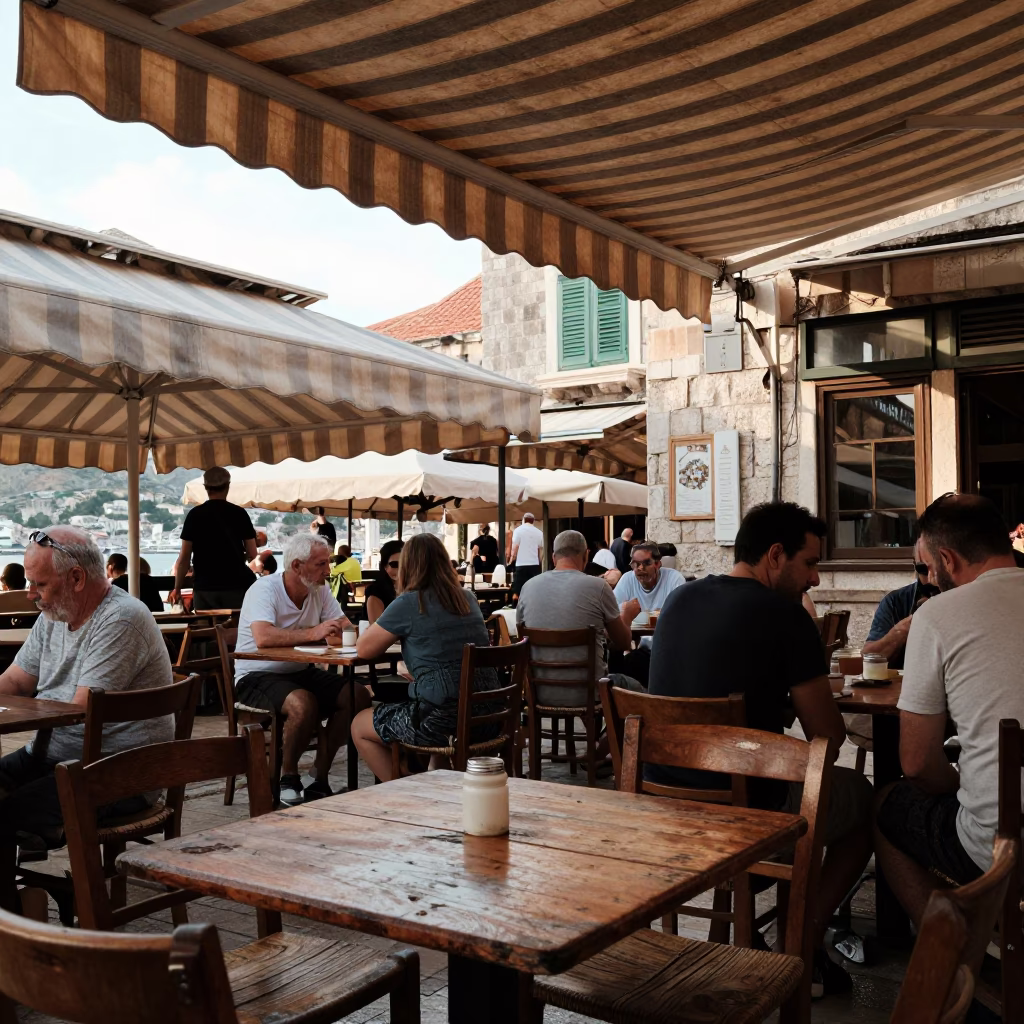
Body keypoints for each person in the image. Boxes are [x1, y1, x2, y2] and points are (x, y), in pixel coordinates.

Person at [647, 502, 872, 997]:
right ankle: (802, 942)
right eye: (810, 563)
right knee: (865, 804)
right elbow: (829, 742)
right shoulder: (786, 617)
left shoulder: (679, 600)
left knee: (803, 783)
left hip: (664, 806)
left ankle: (774, 934)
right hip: (747, 814)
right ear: (775, 555)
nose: (814, 579)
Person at [874, 494, 1024, 929]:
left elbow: (917, 765)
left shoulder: (938, 614)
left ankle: (953, 961)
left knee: (887, 804)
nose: (929, 579)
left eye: (929, 569)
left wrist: (965, 783)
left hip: (1002, 848)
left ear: (946, 558)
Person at [0, 527, 173, 849]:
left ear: (77, 578)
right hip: (53, 759)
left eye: (39, 584)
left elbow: (78, 711)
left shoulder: (121, 618)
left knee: (8, 814)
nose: (30, 593)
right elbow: (16, 681)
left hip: (119, 772)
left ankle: (30, 898)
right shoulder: (54, 613)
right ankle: (24, 891)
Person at [233, 533, 370, 806]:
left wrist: (329, 632)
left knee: (357, 695)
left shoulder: (318, 590)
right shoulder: (264, 590)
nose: (328, 570)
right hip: (255, 673)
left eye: (327, 563)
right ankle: (289, 778)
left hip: (297, 671)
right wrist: (315, 633)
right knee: (303, 703)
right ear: (297, 566)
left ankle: (318, 775)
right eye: (320, 564)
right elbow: (264, 638)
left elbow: (345, 628)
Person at [352, 533, 501, 782]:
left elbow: (364, 650)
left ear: (409, 566)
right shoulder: (468, 598)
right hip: (489, 715)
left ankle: (406, 793)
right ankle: (426, 780)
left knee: (360, 725)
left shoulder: (410, 602)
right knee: (425, 704)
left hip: (444, 722)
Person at [170, 467, 258, 611]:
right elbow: (252, 554)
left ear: (206, 488)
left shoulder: (194, 515)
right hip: (235, 587)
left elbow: (184, 558)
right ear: (228, 486)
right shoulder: (239, 514)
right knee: (234, 630)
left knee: (206, 631)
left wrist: (177, 588)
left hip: (204, 588)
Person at [861, 540, 939, 670]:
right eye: (923, 569)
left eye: (938, 569)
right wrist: (901, 632)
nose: (931, 578)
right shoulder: (895, 602)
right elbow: (867, 660)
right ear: (914, 565)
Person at [612, 540, 685, 615]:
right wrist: (625, 608)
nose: (640, 568)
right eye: (636, 564)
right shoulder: (627, 579)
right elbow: (612, 609)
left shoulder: (674, 578)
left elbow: (681, 611)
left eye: (646, 563)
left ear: (657, 564)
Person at [364, 539, 403, 625]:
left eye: (405, 564)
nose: (401, 570)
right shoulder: (376, 592)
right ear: (385, 566)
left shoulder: (418, 589)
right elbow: (376, 629)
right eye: (394, 565)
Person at [509, 513, 544, 601]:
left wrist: (511, 560)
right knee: (534, 589)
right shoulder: (539, 532)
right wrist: (539, 562)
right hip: (534, 565)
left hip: (521, 564)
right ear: (533, 521)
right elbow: (540, 550)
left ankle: (516, 606)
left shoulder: (518, 530)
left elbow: (515, 547)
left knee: (518, 590)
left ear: (523, 520)